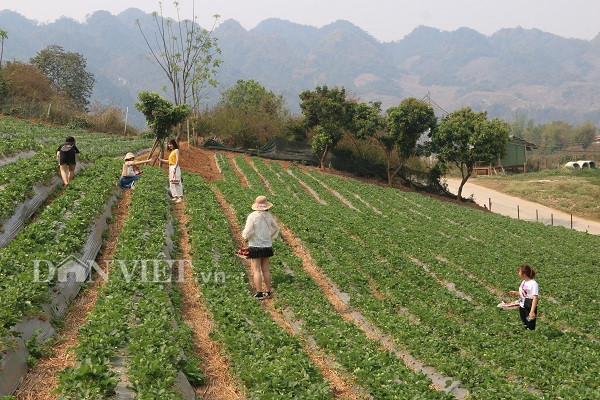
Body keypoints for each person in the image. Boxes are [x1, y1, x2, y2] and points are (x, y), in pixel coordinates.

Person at [242, 195, 280, 300]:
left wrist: (245, 237)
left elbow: (248, 231)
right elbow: (276, 228)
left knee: (256, 270)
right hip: (267, 246)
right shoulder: (269, 216)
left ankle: (259, 293)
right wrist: (269, 237)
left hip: (255, 246)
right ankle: (268, 291)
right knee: (266, 270)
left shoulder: (252, 216)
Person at [508, 264, 539, 330]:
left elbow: (535, 298)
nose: (518, 273)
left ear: (524, 274)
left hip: (529, 308)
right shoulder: (524, 281)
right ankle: (526, 337)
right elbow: (525, 294)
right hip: (522, 306)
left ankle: (531, 337)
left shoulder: (533, 284)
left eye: (519, 272)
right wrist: (517, 293)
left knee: (530, 324)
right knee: (524, 323)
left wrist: (532, 311)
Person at [158, 139, 183, 203]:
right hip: (171, 167)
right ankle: (175, 196)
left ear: (174, 144)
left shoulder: (176, 150)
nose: (169, 145)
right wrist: (161, 160)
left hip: (175, 167)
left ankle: (180, 197)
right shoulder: (171, 152)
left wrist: (175, 167)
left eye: (171, 144)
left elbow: (177, 160)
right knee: (172, 182)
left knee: (177, 182)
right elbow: (169, 161)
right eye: (168, 144)